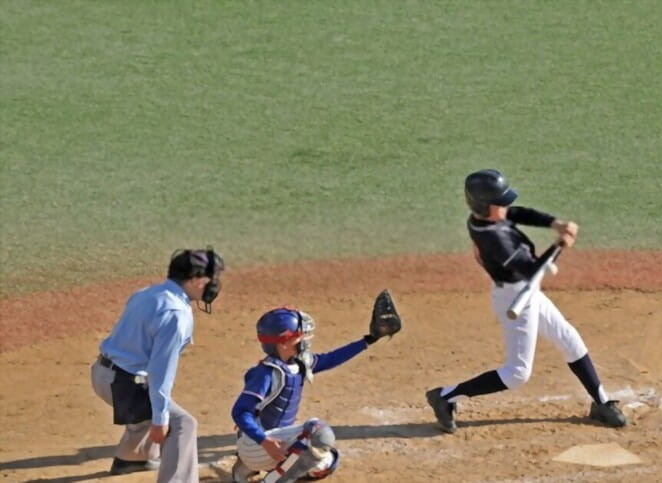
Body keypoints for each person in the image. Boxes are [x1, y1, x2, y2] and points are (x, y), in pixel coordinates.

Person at [426, 169, 627, 434]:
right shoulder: (493, 239)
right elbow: (532, 271)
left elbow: (518, 213)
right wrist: (560, 246)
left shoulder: (485, 217)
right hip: (514, 296)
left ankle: (601, 403)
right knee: (517, 373)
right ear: (485, 206)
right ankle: (445, 396)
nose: (506, 206)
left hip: (523, 290)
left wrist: (554, 223)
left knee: (569, 338)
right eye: (501, 202)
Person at [230, 290, 402, 483]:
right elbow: (239, 412)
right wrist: (263, 441)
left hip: (270, 445)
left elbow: (331, 359)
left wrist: (369, 339)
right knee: (318, 432)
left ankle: (243, 471)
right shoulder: (266, 373)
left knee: (327, 460)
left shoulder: (297, 364)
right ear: (285, 342)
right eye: (299, 336)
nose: (304, 340)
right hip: (259, 445)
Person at [91, 247, 224, 481]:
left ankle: (131, 459)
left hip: (102, 372)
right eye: (210, 279)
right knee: (182, 423)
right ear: (194, 280)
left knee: (148, 406)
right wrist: (161, 420)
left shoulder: (148, 293)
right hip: (122, 384)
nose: (213, 285)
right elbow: (160, 372)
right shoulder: (176, 315)